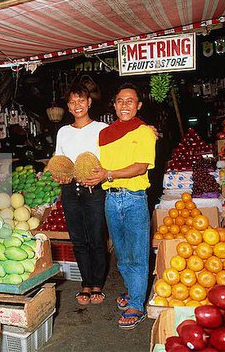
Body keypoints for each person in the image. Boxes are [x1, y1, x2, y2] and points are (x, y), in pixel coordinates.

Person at [85, 83, 156, 329]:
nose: (124, 105)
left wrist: (108, 174)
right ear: (114, 105)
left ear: (138, 105)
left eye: (130, 101)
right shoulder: (105, 134)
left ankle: (137, 304)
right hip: (111, 199)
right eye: (120, 100)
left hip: (134, 198)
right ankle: (133, 291)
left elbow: (141, 166)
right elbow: (95, 162)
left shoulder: (144, 131)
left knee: (137, 254)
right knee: (122, 254)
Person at [53, 83, 108, 306]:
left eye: (81, 100)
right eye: (73, 102)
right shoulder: (63, 132)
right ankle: (86, 282)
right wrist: (58, 175)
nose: (77, 105)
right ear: (68, 106)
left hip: (93, 190)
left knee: (96, 238)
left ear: (89, 102)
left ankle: (98, 284)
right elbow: (59, 160)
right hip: (70, 191)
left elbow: (118, 147)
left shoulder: (102, 128)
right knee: (78, 240)